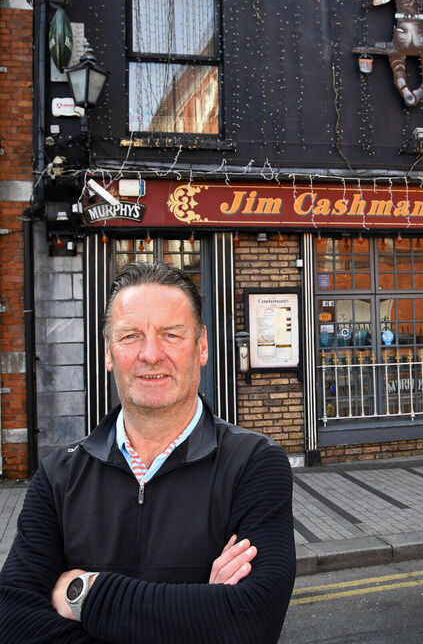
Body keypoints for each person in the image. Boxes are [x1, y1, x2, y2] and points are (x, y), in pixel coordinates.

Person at [0, 261, 296, 643]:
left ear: (201, 347)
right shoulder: (58, 476)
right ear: (109, 353)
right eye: (130, 336)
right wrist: (202, 610)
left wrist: (85, 593)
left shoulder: (253, 465)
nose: (151, 354)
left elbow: (251, 620)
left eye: (171, 334)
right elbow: (13, 622)